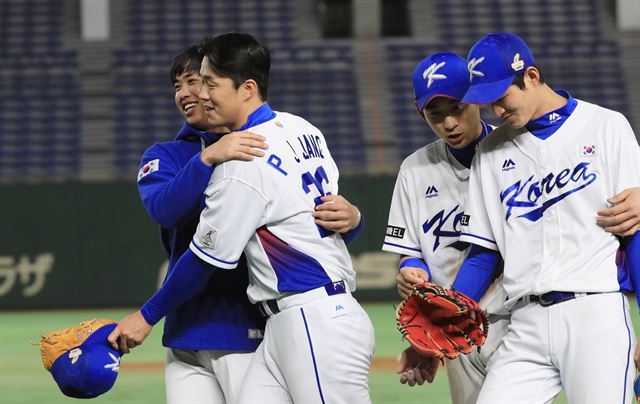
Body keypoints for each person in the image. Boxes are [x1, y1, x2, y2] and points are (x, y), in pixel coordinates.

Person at [109, 32, 373, 404]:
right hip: (288, 318)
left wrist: (145, 316)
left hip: (305, 315)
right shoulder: (301, 128)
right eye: (183, 85)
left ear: (246, 88)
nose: (196, 94)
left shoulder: (243, 159)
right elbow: (167, 210)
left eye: (206, 83)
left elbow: (205, 258)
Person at [451, 32, 640, 403]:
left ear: (532, 76)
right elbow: (485, 251)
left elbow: (634, 233)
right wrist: (453, 306)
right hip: (524, 322)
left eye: (501, 97)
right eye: (486, 103)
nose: (496, 111)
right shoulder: (489, 151)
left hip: (594, 313)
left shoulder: (606, 127)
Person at [382, 52, 510, 404]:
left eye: (456, 108)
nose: (448, 122)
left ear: (475, 99)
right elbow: (411, 251)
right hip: (452, 329)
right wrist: (412, 269)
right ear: (418, 111)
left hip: (512, 319)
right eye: (435, 114)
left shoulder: (512, 152)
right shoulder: (415, 169)